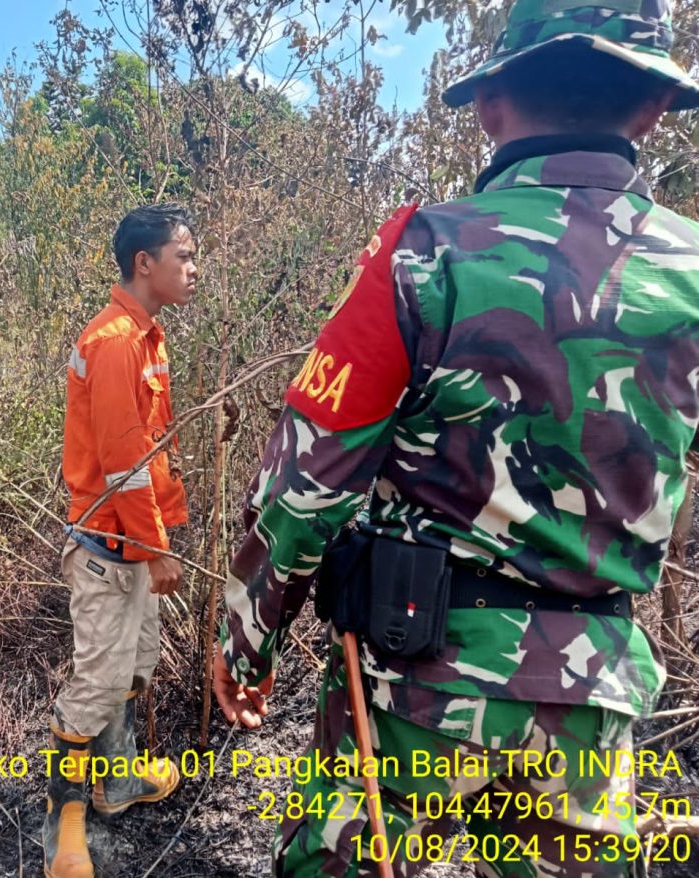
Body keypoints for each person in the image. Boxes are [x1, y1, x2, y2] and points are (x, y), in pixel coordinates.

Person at [214, 2, 699, 876]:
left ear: (489, 104)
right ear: (653, 109)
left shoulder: (423, 254)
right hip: (593, 701)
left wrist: (248, 644)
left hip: (416, 693)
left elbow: (305, 482)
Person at [44, 203, 197, 878]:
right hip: (112, 547)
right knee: (95, 683)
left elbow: (150, 454)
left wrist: (160, 537)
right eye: (184, 256)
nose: (194, 269)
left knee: (134, 667)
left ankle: (117, 782)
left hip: (139, 543)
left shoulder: (147, 335)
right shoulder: (114, 342)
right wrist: (157, 546)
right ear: (145, 263)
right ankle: (65, 821)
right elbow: (122, 461)